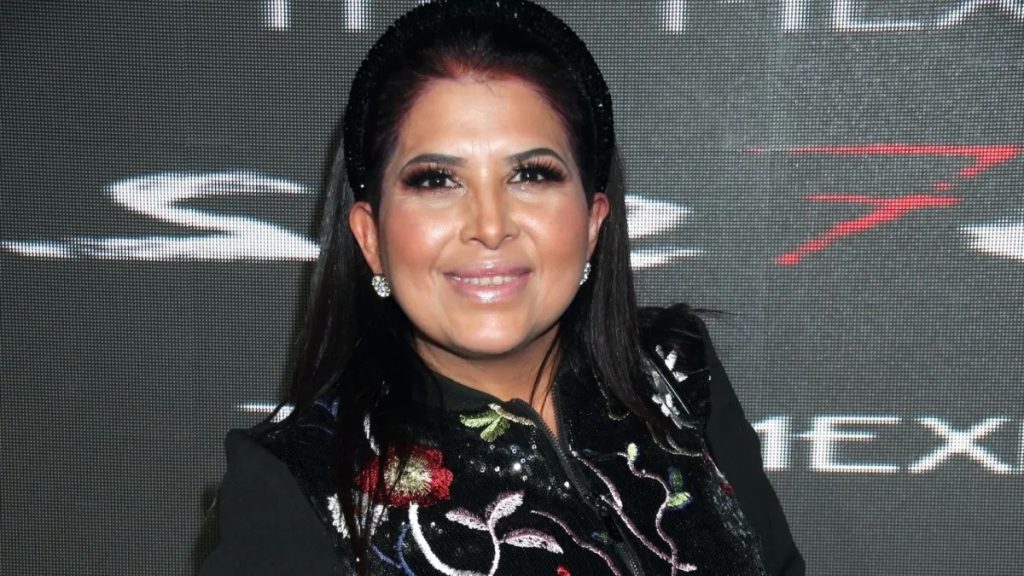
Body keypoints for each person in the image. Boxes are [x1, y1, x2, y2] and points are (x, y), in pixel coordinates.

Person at [198, 1, 804, 574]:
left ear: (594, 222)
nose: (490, 226)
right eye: (437, 181)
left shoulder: (674, 371)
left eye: (531, 175)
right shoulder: (296, 481)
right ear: (370, 236)